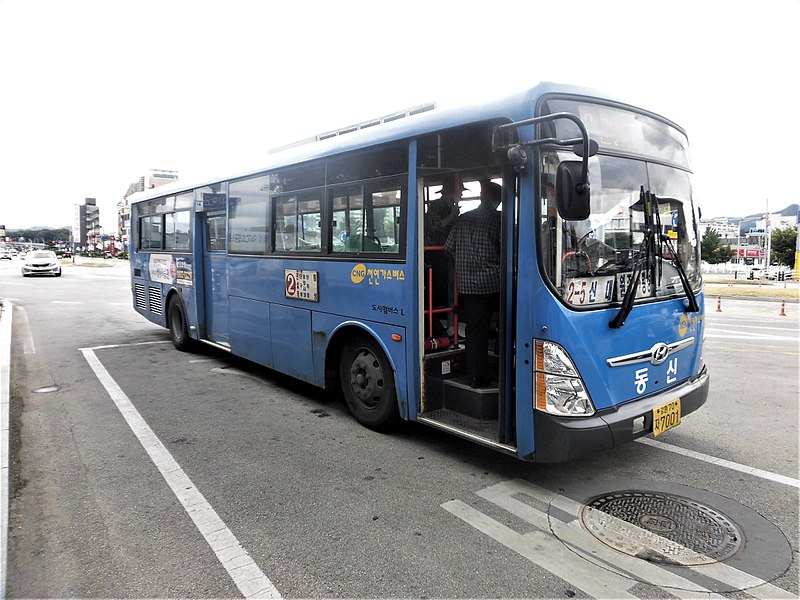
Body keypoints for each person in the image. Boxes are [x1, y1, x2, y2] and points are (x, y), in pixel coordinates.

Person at [444, 180, 502, 388]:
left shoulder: (462, 219)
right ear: (496, 200)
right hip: (494, 284)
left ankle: (476, 377)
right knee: (506, 323)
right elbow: (509, 252)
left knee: (475, 330)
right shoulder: (498, 220)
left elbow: (449, 248)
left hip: (468, 286)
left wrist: (466, 265)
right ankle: (502, 366)